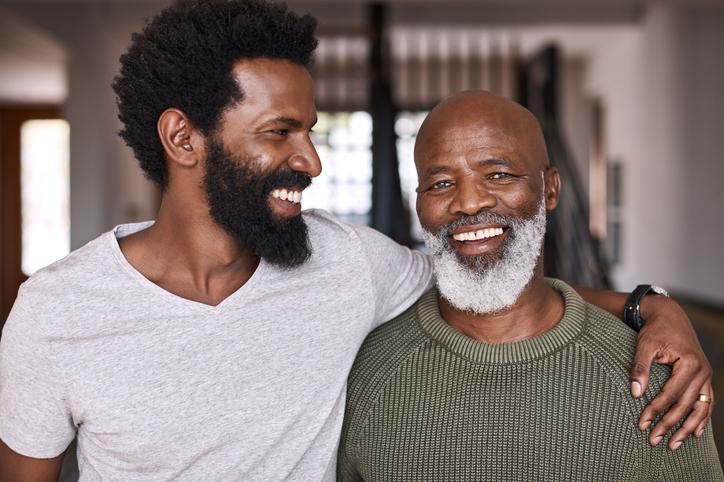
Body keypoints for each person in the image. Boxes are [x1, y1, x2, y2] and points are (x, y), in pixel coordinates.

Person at [0, 1, 713, 481]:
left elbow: (488, 271)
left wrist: (651, 307)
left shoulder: (347, 262)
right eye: (282, 132)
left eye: (310, 131)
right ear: (183, 138)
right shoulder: (57, 313)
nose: (311, 160)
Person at [338, 91, 723, 481]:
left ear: (550, 189)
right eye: (440, 183)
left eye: (498, 175)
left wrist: (656, 305)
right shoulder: (367, 374)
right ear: (417, 203)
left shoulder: (654, 382)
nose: (469, 203)